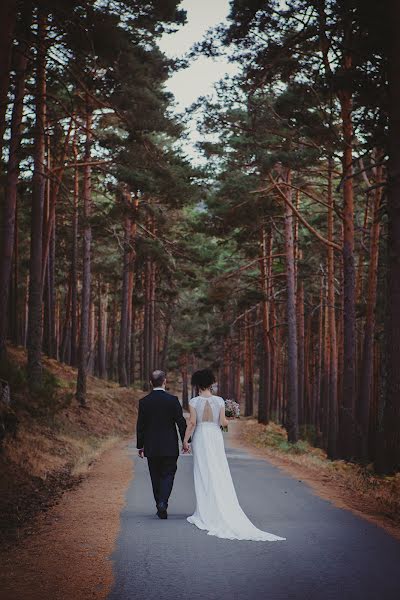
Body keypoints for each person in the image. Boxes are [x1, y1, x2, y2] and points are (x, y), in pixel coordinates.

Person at [183, 368, 286, 542]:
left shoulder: (194, 402)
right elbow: (223, 424)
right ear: (210, 383)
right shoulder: (219, 401)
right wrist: (228, 420)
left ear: (197, 384)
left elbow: (192, 422)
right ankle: (221, 504)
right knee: (218, 468)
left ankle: (205, 510)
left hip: (201, 436)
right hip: (215, 436)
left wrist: (186, 440)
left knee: (202, 471)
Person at [136, 369, 187, 519]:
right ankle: (163, 502)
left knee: (155, 476)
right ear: (165, 381)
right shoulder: (173, 400)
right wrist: (186, 440)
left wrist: (140, 445)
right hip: (170, 446)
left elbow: (141, 426)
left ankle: (160, 503)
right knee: (168, 475)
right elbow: (181, 422)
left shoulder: (144, 402)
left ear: (151, 383)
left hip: (151, 446)